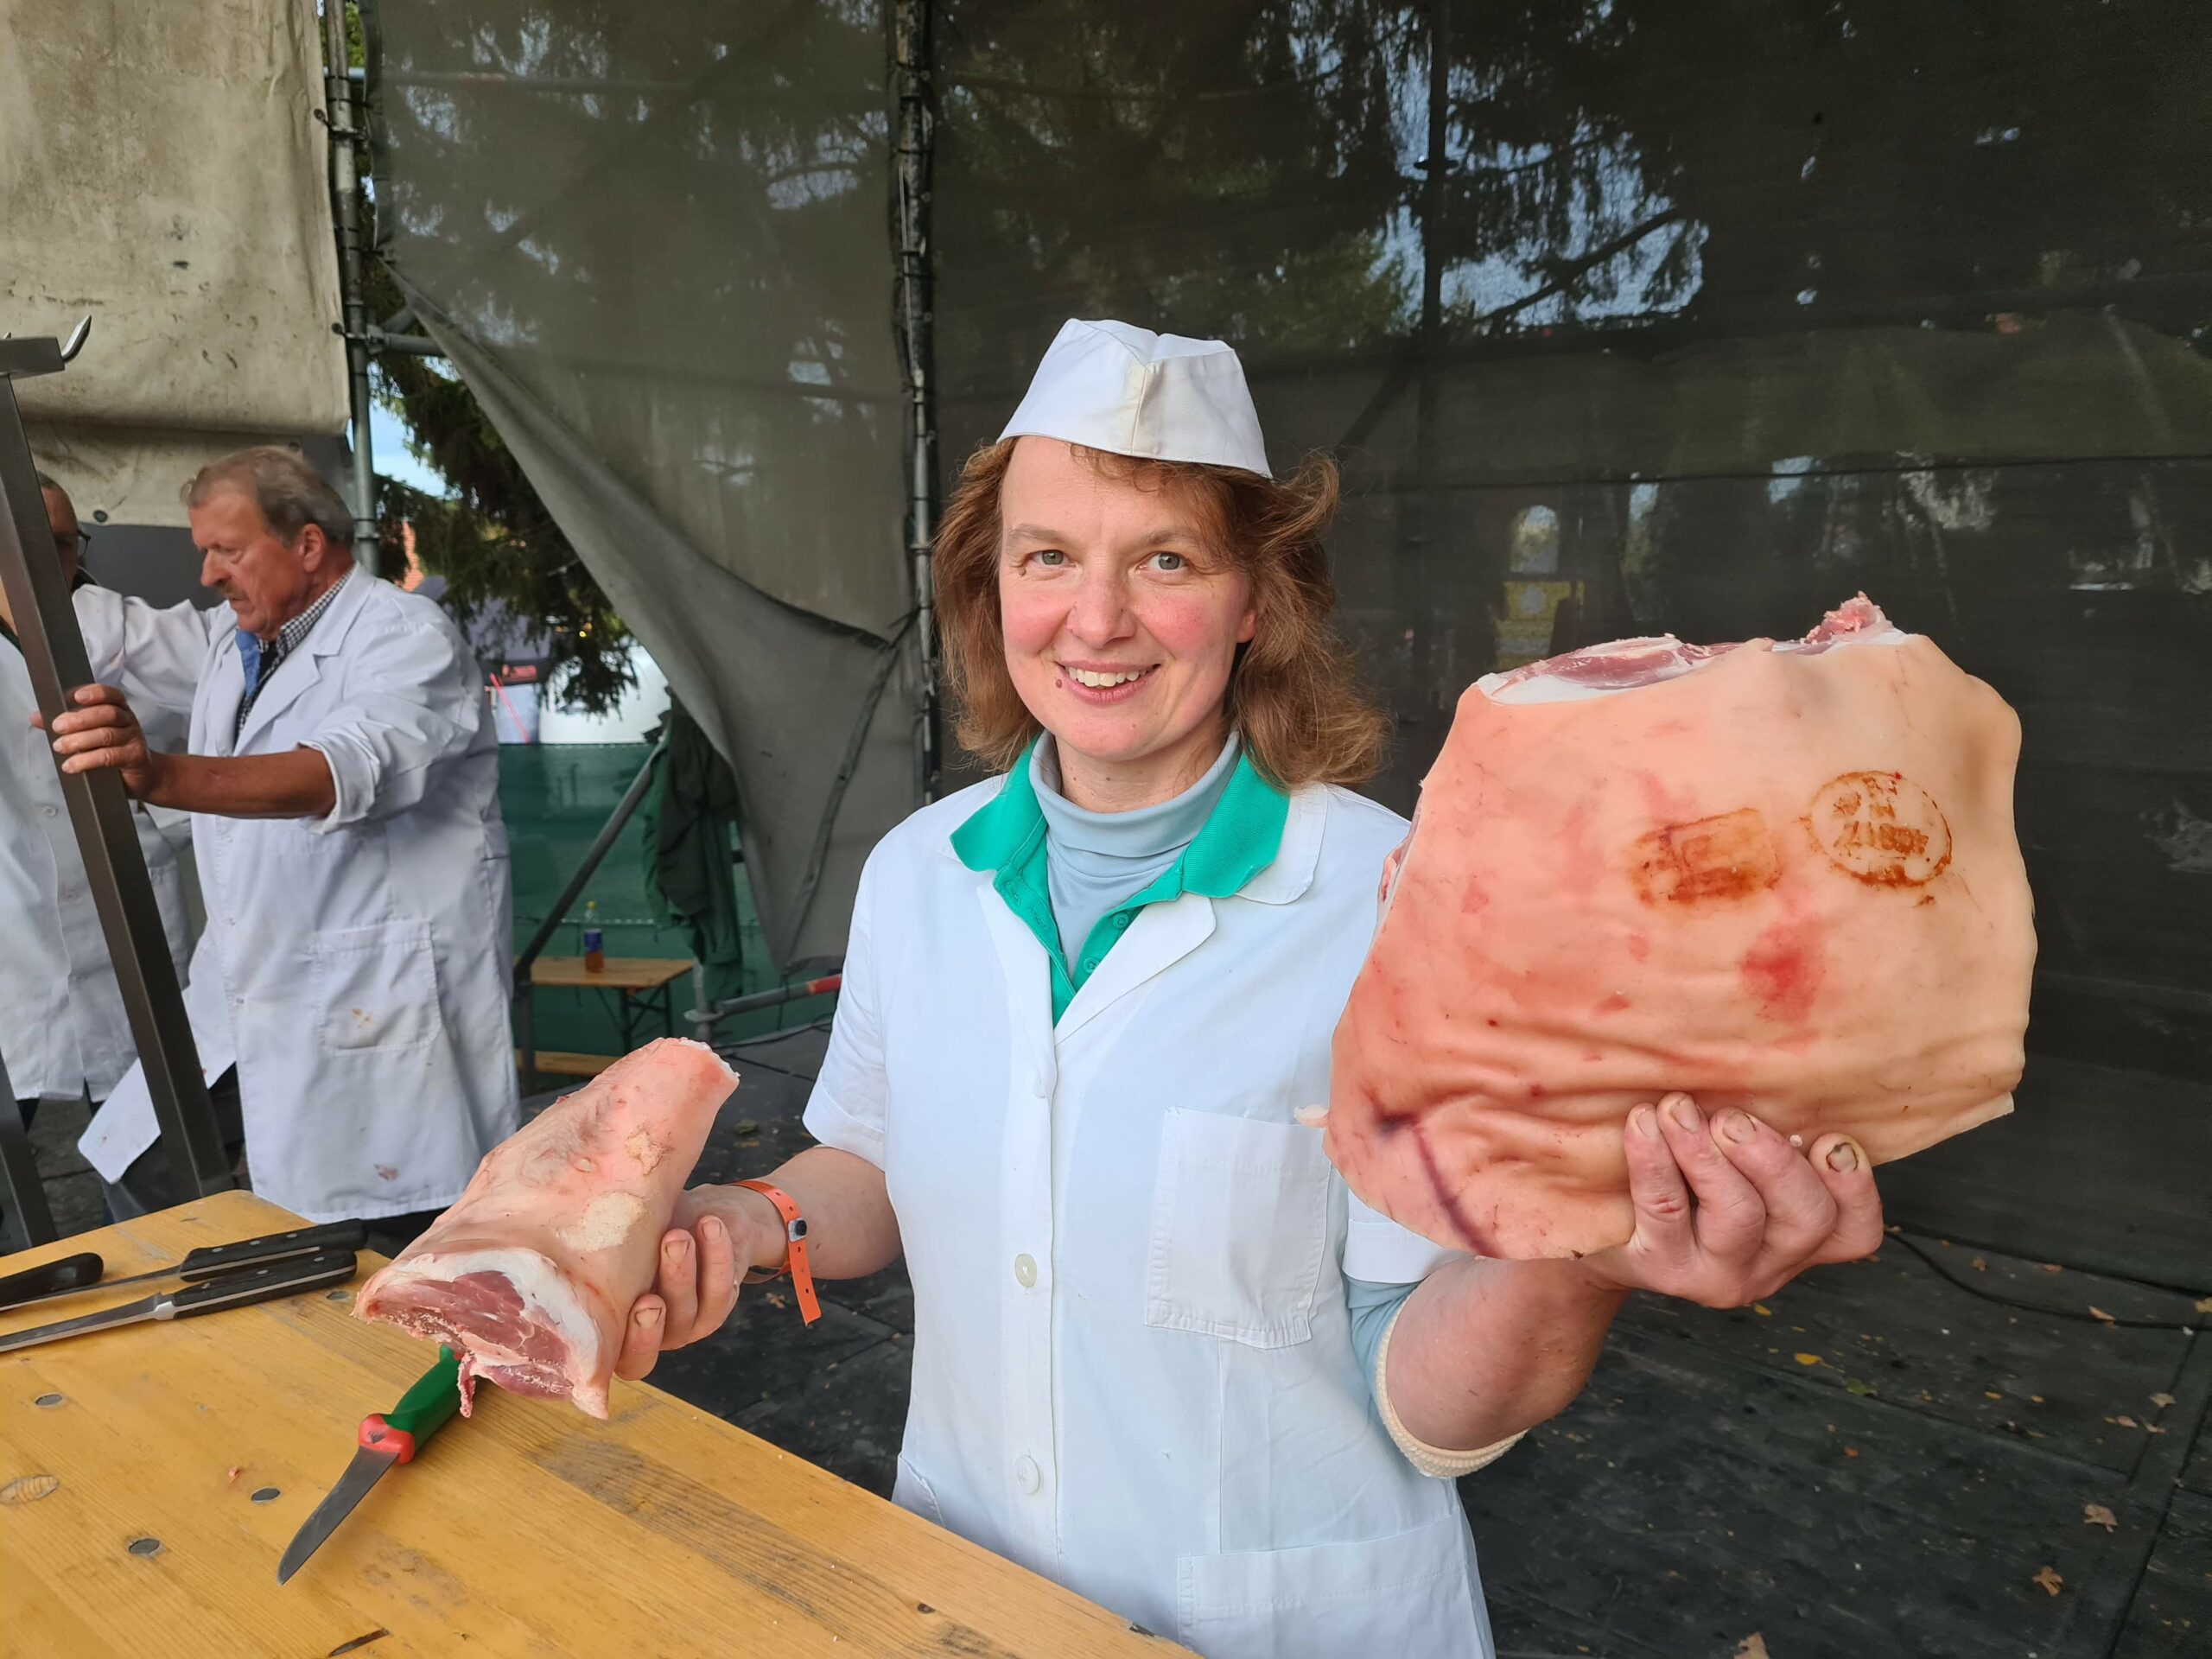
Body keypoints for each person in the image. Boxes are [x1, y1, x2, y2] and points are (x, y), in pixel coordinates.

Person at [613, 321, 1884, 1656]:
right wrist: (749, 1221)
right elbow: (875, 1159)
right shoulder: (920, 875)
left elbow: (1428, 1405)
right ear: (992, 590)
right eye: (1049, 558)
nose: (1096, 620)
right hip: (965, 1597)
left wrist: (1586, 1264)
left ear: (1256, 602)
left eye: (1165, 561)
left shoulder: (1402, 905)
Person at [41, 446, 518, 1250]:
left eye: (228, 551)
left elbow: (342, 770)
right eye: (203, 552)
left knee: (400, 1236)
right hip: (251, 989)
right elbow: (114, 634)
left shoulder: (403, 636)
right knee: (144, 1165)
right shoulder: (236, 646)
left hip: (373, 996)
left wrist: (156, 773)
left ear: (306, 544)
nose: (207, 576)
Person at [1, 474, 194, 1135]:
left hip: (125, 907)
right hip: (14, 929)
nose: (46, 559)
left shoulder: (123, 625)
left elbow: (229, 711)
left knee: (146, 1141)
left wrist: (163, 820)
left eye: (61, 542)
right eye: (21, 540)